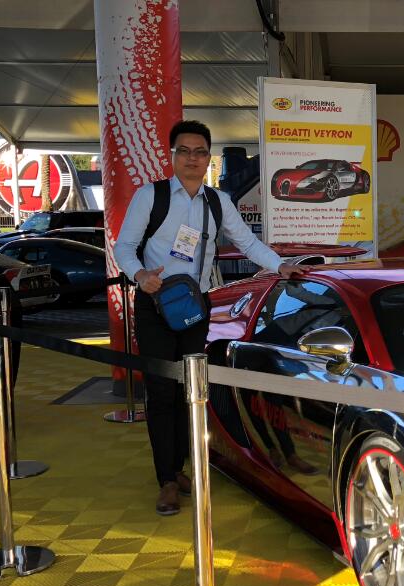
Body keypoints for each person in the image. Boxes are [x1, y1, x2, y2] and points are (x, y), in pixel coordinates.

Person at [114, 118, 302, 516]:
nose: (192, 159)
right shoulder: (151, 196)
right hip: (155, 305)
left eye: (200, 152)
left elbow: (247, 242)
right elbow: (124, 247)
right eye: (184, 151)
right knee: (161, 392)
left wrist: (279, 265)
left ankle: (182, 466)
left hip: (196, 307)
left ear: (208, 158)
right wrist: (141, 275)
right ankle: (167, 479)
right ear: (172, 155)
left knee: (190, 390)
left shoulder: (218, 201)